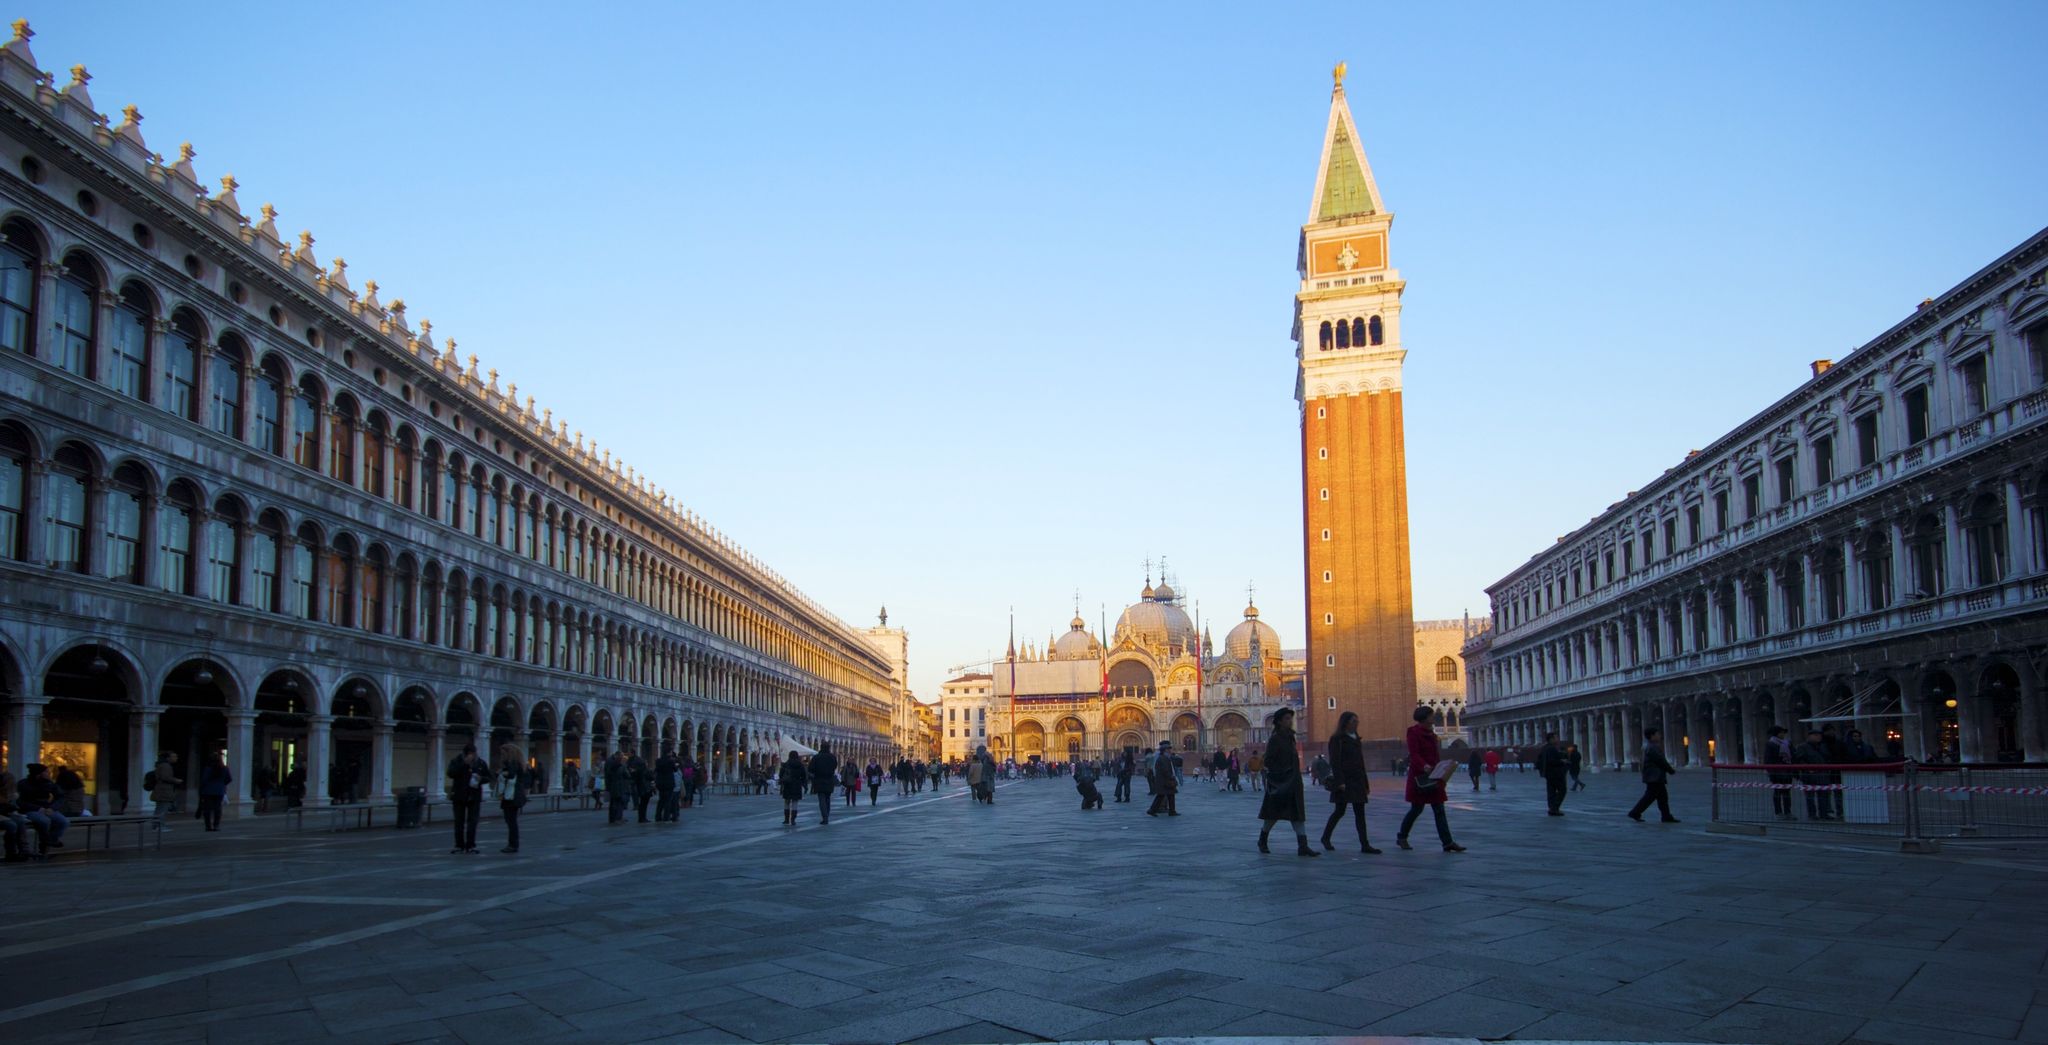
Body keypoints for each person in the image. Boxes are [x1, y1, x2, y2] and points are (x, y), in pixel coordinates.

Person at [1396, 705, 1466, 852]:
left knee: (1439, 809)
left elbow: (1435, 755)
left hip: (1434, 775)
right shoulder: (1414, 733)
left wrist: (1441, 770)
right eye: (1431, 715)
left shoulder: (1432, 734)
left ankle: (1447, 842)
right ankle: (1402, 837)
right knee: (1416, 809)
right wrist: (1425, 766)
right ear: (1425, 717)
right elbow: (1414, 754)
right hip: (1420, 777)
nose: (1434, 718)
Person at [1255, 708, 1317, 856]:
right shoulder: (1275, 739)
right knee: (1273, 815)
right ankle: (1262, 840)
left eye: (1291, 718)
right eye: (1287, 719)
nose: (1290, 721)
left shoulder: (1290, 737)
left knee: (1297, 814)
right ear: (1279, 722)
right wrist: (1282, 773)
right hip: (1281, 783)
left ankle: (1303, 846)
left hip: (1294, 782)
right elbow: (1268, 761)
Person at [1319, 710, 1379, 854]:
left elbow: (1361, 763)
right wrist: (1340, 781)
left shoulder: (1356, 738)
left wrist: (1366, 784)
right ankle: (1325, 837)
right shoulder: (1337, 739)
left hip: (1357, 780)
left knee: (1360, 813)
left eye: (1357, 720)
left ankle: (1365, 844)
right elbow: (1335, 761)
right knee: (1339, 811)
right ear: (1345, 723)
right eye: (1353, 721)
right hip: (1344, 780)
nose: (1356, 723)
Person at [1626, 727, 1680, 823]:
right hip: (1655, 777)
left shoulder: (1648, 747)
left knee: (1662, 797)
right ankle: (1635, 812)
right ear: (1652, 736)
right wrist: (1670, 770)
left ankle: (1666, 816)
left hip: (1653, 776)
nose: (1659, 736)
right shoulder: (1652, 747)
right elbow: (1661, 761)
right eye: (1657, 734)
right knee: (1650, 797)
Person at [446, 743, 485, 855]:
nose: (472, 756)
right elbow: (451, 773)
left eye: (474, 754)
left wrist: (481, 778)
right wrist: (463, 764)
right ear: (466, 754)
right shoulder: (456, 761)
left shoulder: (480, 763)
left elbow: (487, 776)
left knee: (472, 822)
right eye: (470, 754)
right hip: (459, 795)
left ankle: (471, 845)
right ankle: (459, 845)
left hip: (474, 796)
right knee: (459, 822)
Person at [16, 764, 66, 851]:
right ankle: (45, 841)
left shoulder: (49, 783)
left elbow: (60, 797)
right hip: (30, 809)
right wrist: (37, 808)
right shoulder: (23, 784)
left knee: (63, 821)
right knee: (44, 821)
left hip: (47, 808)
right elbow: (20, 801)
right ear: (39, 774)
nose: (49, 773)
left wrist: (52, 808)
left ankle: (51, 839)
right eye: (46, 772)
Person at [1794, 729, 1834, 821]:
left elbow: (1828, 758)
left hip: (1822, 774)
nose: (1818, 737)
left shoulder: (1823, 747)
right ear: (1809, 736)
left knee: (1823, 795)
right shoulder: (1802, 747)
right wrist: (1807, 768)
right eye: (1815, 735)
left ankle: (1824, 814)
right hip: (1809, 775)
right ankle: (1812, 814)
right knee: (1810, 796)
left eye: (1819, 735)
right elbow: (1798, 760)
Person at [497, 743, 530, 853]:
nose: (502, 756)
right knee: (510, 820)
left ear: (508, 753)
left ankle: (513, 844)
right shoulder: (517, 763)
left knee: (511, 821)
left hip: (512, 796)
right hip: (512, 795)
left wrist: (502, 772)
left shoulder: (513, 764)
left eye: (503, 753)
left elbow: (510, 774)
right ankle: (512, 844)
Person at [1764, 725, 1796, 821]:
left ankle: (1788, 811)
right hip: (1777, 772)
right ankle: (1778, 812)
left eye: (1783, 732)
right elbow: (1768, 759)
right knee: (1777, 792)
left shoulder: (1788, 743)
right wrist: (1772, 772)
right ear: (1776, 734)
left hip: (1787, 771)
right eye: (1781, 732)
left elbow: (1793, 755)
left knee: (1787, 792)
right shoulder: (1770, 744)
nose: (1783, 734)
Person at [1535, 733, 1569, 816]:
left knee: (1551, 791)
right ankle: (1554, 808)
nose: (1557, 739)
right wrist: (1562, 761)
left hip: (1548, 774)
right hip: (1556, 773)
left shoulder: (1544, 748)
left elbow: (1539, 760)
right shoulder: (1551, 749)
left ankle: (1552, 808)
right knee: (1562, 790)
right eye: (1556, 737)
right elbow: (1552, 761)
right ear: (1551, 739)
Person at [197, 752, 232, 831]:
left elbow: (204, 780)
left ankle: (208, 826)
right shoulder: (224, 768)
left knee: (207, 809)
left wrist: (202, 788)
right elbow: (229, 779)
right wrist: (222, 784)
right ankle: (216, 825)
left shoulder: (208, 768)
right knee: (218, 808)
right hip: (219, 791)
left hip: (208, 791)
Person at [1146, 741, 1180, 817]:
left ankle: (1171, 811)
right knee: (1162, 795)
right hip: (1165, 781)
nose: (1170, 750)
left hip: (1164, 780)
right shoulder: (1163, 758)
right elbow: (1165, 770)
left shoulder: (1165, 758)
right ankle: (1152, 810)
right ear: (1165, 750)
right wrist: (1171, 777)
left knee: (1168, 795)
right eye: (1169, 749)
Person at [809, 742, 840, 824]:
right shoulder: (832, 757)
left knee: (821, 799)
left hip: (819, 780)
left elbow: (811, 768)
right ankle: (827, 815)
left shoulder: (816, 757)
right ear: (829, 748)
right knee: (827, 798)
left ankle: (825, 817)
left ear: (821, 747)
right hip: (829, 780)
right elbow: (835, 766)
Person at [151, 751, 183, 827]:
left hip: (161, 790)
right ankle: (159, 825)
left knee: (159, 809)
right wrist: (176, 780)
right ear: (168, 758)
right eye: (174, 756)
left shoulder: (161, 765)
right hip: (164, 791)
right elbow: (165, 777)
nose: (176, 758)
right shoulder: (165, 766)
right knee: (162, 809)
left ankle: (156, 825)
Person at [777, 751, 806, 825]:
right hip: (797, 785)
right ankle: (793, 820)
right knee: (795, 802)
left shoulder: (786, 764)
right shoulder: (800, 765)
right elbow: (804, 775)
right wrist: (803, 783)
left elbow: (781, 775)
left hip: (787, 784)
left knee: (787, 801)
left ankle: (786, 819)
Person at [603, 751, 630, 824]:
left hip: (615, 785)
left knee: (616, 802)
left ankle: (617, 818)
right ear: (618, 756)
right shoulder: (613, 763)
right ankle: (615, 818)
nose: (622, 758)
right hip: (615, 786)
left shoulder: (612, 762)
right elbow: (610, 774)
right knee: (616, 802)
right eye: (621, 756)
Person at [628, 751, 654, 823]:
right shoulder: (646, 771)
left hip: (641, 788)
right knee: (644, 804)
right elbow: (652, 777)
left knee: (642, 804)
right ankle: (643, 818)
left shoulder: (638, 772)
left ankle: (641, 818)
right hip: (646, 788)